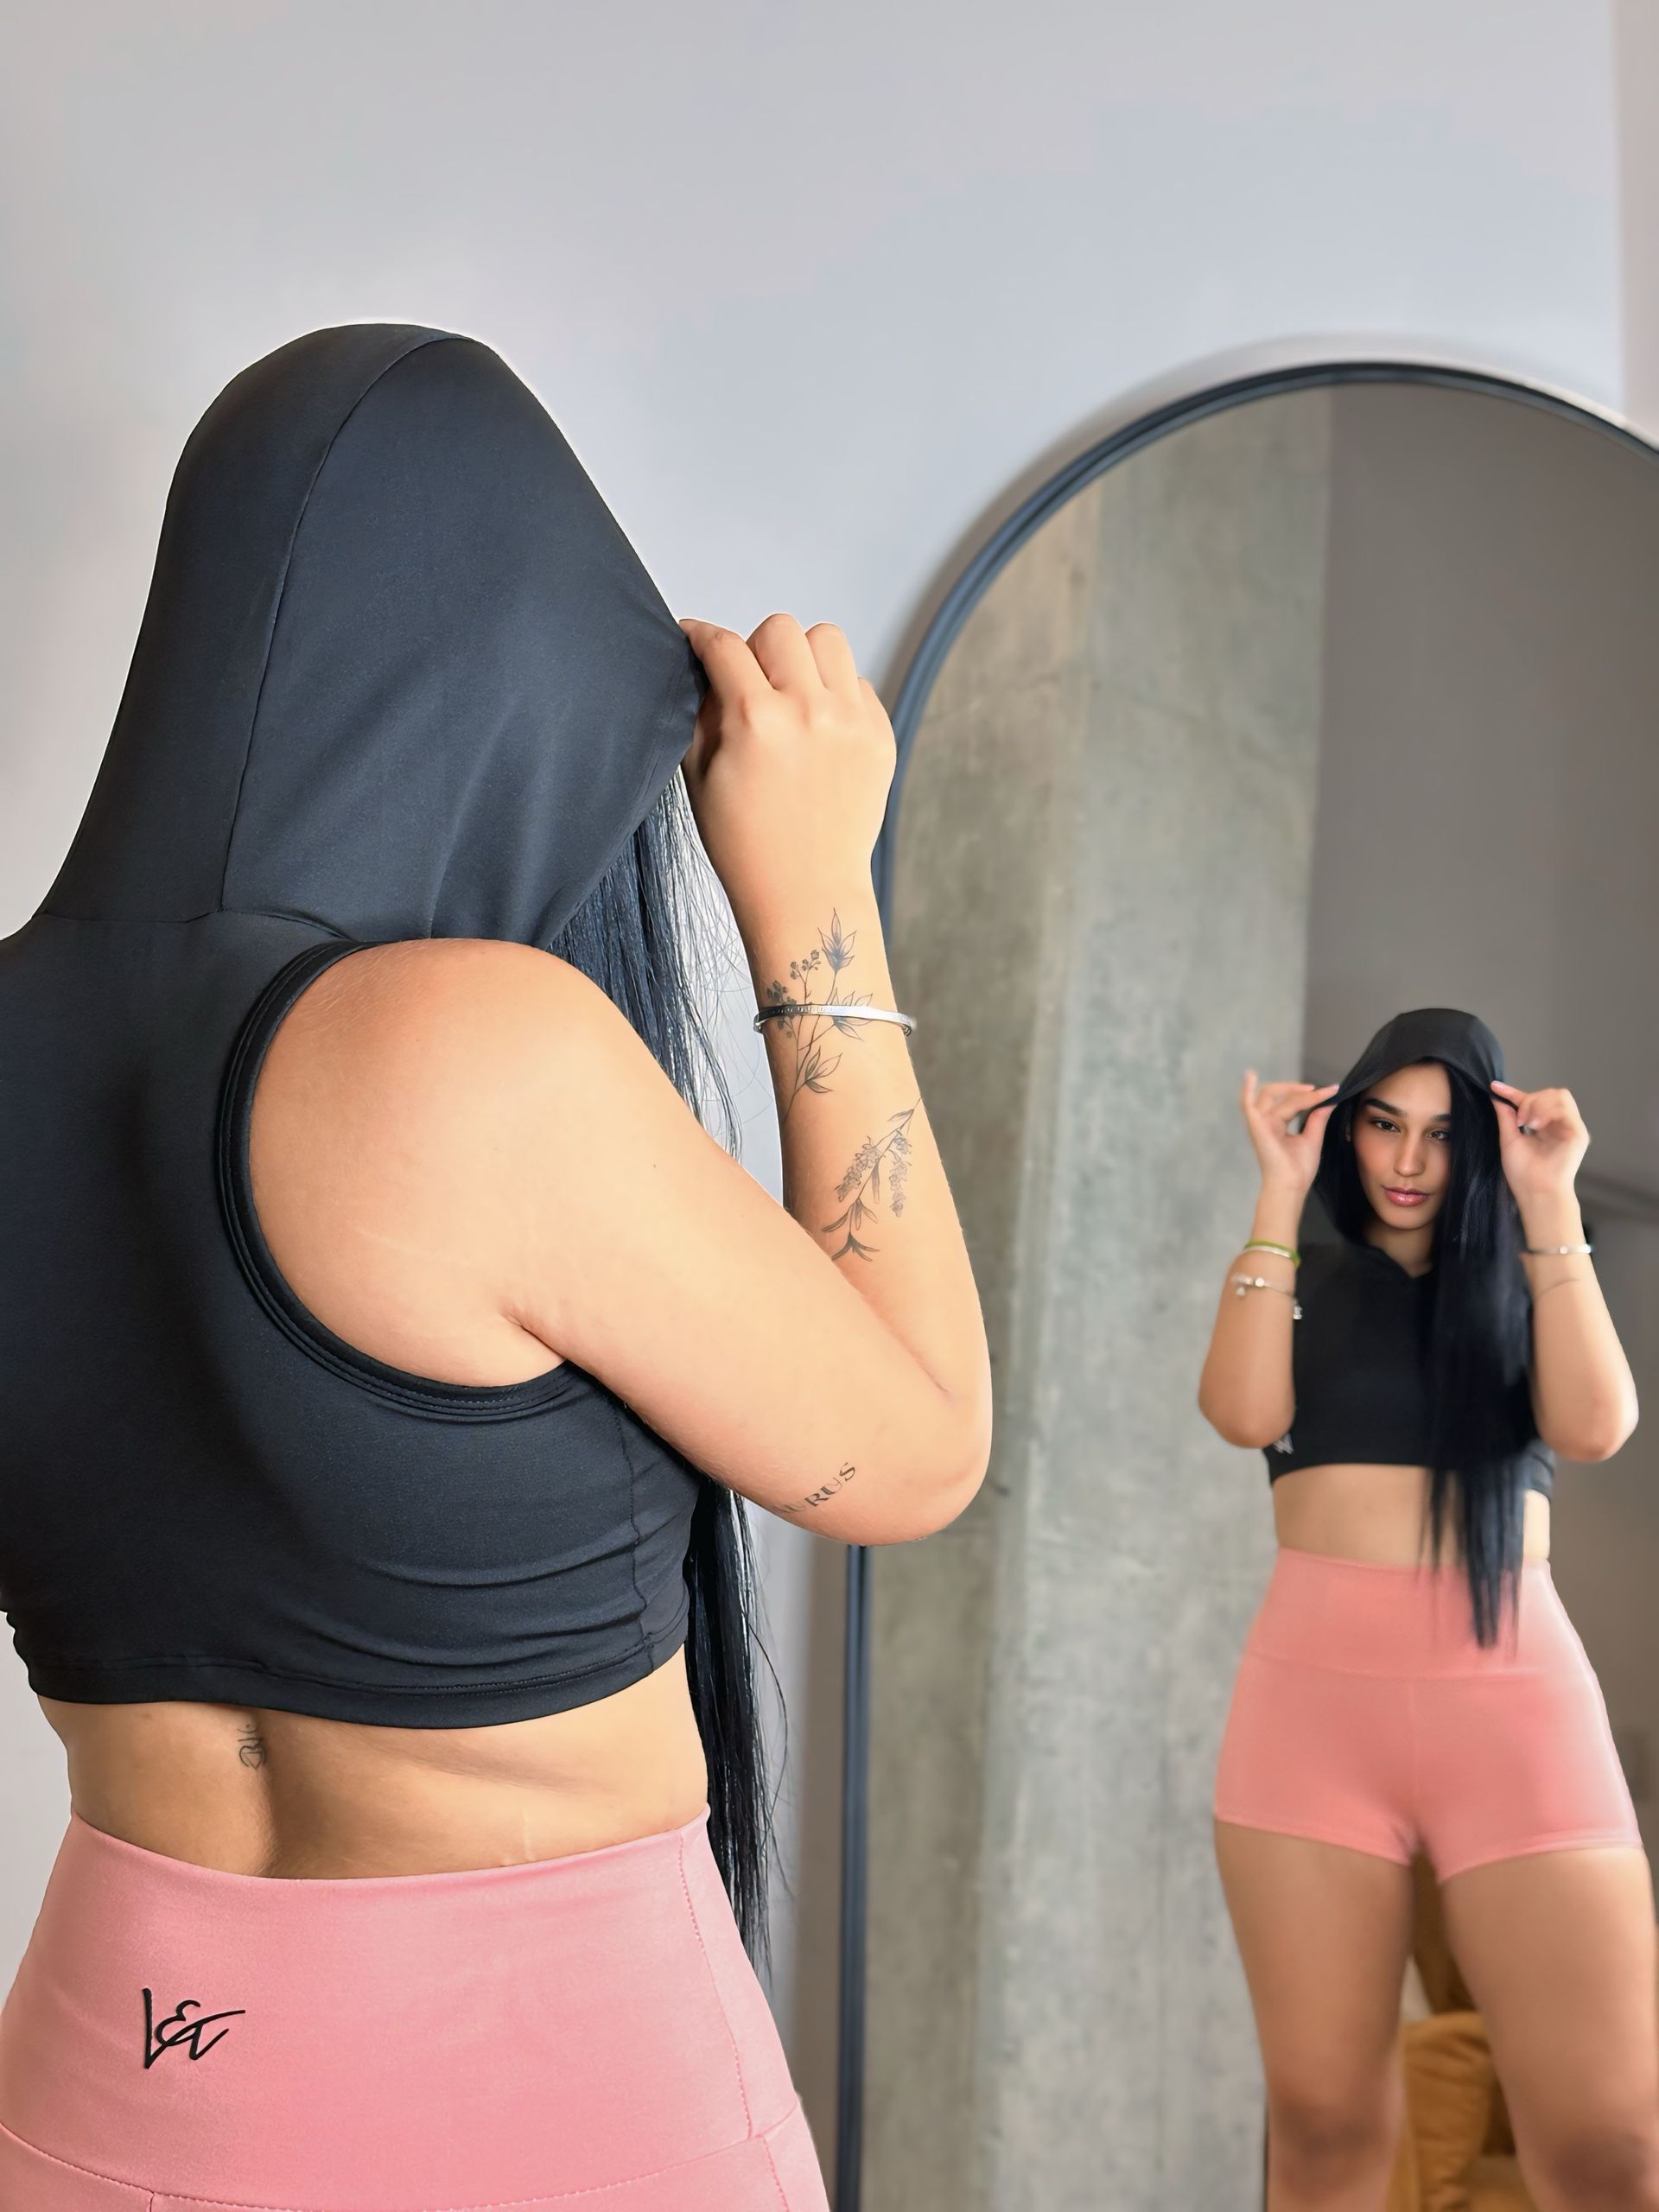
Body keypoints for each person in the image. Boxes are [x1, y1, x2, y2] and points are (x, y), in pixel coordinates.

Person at [0, 323, 992, 2210]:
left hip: (106, 2077)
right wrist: (817, 896)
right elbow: (921, 1447)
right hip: (538, 2105)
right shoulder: (461, 1051)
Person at [1198, 1007, 1656, 2212]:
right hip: (1311, 1710)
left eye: (1443, 1136)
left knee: (1615, 2148)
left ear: (1485, 1146)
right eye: (1383, 1126)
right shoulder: (1304, 1269)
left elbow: (1597, 1426)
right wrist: (1277, 1191)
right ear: (1347, 1128)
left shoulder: (1521, 1279)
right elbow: (1243, 1415)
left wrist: (1549, 1200)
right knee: (1324, 2126)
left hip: (1512, 1702)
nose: (1408, 1162)